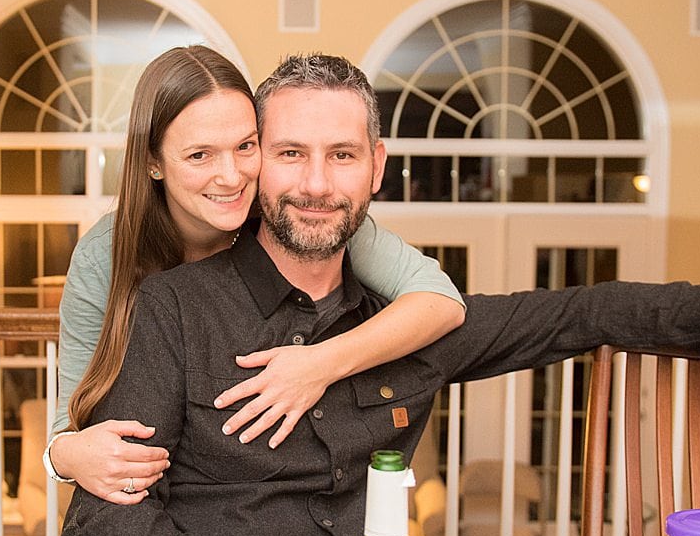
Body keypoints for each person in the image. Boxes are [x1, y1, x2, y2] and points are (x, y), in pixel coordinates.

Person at [61, 54, 700, 536]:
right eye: (290, 153)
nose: (315, 182)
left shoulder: (411, 324)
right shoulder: (168, 307)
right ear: (256, 165)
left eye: (341, 155)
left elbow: (590, 311)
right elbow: (102, 530)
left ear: (376, 168)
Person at [46, 46, 466, 503]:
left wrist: (320, 364)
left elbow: (438, 300)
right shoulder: (103, 255)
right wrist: (67, 457)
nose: (230, 177)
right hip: (147, 495)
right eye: (200, 155)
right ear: (153, 162)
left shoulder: (290, 217)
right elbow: (67, 427)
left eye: (245, 147)